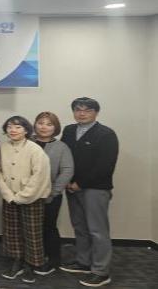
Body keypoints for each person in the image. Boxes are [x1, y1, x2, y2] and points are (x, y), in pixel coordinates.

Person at [59, 98, 118, 288]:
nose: (82, 113)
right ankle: (83, 262)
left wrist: (80, 183)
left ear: (96, 112)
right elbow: (63, 157)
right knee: (80, 226)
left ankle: (101, 271)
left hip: (95, 189)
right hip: (71, 187)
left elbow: (105, 165)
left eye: (87, 110)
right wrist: (66, 181)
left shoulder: (106, 134)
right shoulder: (69, 130)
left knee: (97, 231)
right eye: (78, 109)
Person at [0, 116, 51, 285]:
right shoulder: (2, 147)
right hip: (9, 197)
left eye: (18, 127)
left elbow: (40, 176)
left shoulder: (35, 149)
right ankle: (17, 261)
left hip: (32, 197)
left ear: (26, 130)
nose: (13, 130)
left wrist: (22, 197)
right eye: (9, 127)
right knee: (12, 231)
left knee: (32, 233)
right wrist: (8, 195)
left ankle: (30, 265)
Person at [32, 111, 74, 275]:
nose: (44, 127)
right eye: (41, 123)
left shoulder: (61, 147)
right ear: (35, 125)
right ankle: (31, 258)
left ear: (55, 128)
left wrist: (53, 192)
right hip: (26, 195)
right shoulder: (26, 142)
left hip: (50, 196)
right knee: (29, 228)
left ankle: (52, 259)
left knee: (48, 227)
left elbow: (67, 170)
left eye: (49, 124)